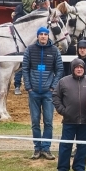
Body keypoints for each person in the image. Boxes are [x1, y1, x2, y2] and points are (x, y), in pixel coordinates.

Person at [22, 26, 64, 160]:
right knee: (35, 122)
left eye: (45, 34)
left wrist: (53, 87)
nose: (43, 37)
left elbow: (59, 70)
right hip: (33, 93)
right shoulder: (30, 50)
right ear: (38, 36)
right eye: (41, 34)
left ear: (48, 36)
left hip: (48, 94)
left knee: (48, 122)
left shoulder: (54, 51)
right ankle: (37, 148)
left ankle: (46, 148)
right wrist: (28, 87)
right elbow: (25, 69)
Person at [52, 58, 86, 171]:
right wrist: (63, 111)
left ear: (84, 69)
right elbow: (55, 96)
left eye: (81, 67)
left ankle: (80, 169)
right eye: (77, 67)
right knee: (66, 145)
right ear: (72, 69)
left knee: (82, 146)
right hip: (69, 120)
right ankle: (62, 169)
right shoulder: (63, 82)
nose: (79, 69)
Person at [11, 0, 36, 96]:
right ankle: (17, 85)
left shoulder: (33, 13)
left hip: (31, 43)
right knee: (21, 65)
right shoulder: (19, 16)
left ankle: (28, 84)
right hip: (22, 44)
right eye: (33, 2)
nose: (35, 4)